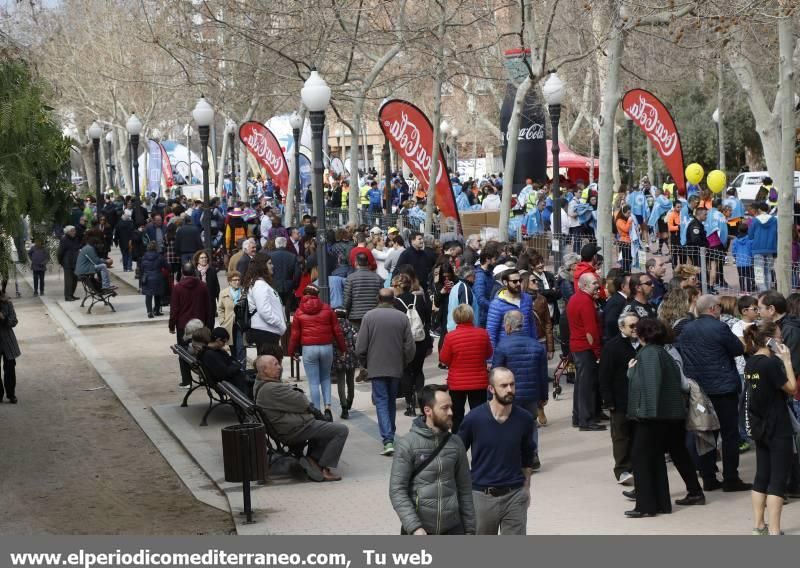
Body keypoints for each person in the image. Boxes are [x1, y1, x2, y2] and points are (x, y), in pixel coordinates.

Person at [677, 295, 750, 492]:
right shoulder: (719, 328)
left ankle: (708, 477)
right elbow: (737, 349)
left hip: (699, 390)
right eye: (718, 307)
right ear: (713, 309)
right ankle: (730, 478)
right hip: (723, 388)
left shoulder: (686, 329)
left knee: (705, 433)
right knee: (729, 434)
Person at [625, 318, 691, 518]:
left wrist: (631, 371)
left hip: (651, 416)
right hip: (663, 415)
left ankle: (645, 505)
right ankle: (660, 503)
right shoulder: (661, 352)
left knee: (641, 458)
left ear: (643, 334)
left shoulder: (650, 354)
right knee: (654, 459)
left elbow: (651, 385)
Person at [457, 367, 535, 535]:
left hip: (514, 495)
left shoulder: (525, 419)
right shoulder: (473, 419)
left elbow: (528, 456)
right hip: (482, 497)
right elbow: (457, 453)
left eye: (512, 385)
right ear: (491, 389)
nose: (510, 390)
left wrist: (526, 488)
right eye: (504, 385)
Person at [390, 384, 476, 535]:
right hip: (419, 531)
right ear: (427, 411)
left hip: (453, 529)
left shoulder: (456, 443)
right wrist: (414, 527)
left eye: (451, 407)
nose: (450, 412)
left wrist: (470, 529)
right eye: (444, 408)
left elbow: (465, 489)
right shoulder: (407, 444)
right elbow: (397, 490)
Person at [254, 354, 348, 482]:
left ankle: (312, 459)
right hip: (294, 430)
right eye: (275, 364)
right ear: (264, 370)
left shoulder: (260, 382)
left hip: (289, 426)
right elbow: (302, 401)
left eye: (278, 363)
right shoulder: (271, 388)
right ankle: (322, 467)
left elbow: (296, 403)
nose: (280, 367)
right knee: (341, 430)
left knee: (324, 423)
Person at [743, 322, 797, 535]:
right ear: (770, 340)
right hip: (777, 426)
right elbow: (792, 389)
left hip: (759, 426)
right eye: (779, 338)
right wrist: (787, 360)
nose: (782, 341)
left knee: (761, 475)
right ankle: (775, 530)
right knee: (777, 479)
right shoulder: (770, 364)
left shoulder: (751, 363)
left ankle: (759, 525)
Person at [356, 288, 416, 456]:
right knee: (390, 401)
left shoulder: (369, 317)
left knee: (382, 401)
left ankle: (388, 438)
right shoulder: (402, 317)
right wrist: (404, 361)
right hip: (396, 366)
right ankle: (390, 432)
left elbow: (360, 346)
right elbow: (410, 346)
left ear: (378, 299)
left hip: (376, 366)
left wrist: (365, 363)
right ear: (393, 299)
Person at [492, 310, 548, 470]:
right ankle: (533, 455)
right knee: (530, 423)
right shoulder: (536, 346)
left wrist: (493, 395)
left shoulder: (502, 346)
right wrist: (543, 396)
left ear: (508, 326)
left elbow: (496, 373)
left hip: (509, 394)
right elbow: (542, 375)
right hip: (531, 394)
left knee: (509, 425)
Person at [288, 285, 346, 421]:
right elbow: (337, 331)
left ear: (304, 295)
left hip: (309, 348)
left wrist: (292, 352)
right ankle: (328, 408)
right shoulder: (327, 309)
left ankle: (317, 412)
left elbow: (295, 334)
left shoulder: (299, 312)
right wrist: (343, 349)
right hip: (326, 347)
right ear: (317, 295)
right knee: (325, 378)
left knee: (313, 382)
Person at [599, 313, 639, 485]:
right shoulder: (612, 347)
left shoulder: (644, 343)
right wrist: (608, 401)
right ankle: (622, 469)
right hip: (620, 399)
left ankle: (638, 465)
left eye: (637, 325)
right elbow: (604, 376)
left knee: (638, 435)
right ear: (622, 328)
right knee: (621, 436)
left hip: (640, 399)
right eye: (631, 326)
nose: (635, 328)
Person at [439, 305, 492, 433]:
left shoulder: (450, 337)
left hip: (457, 383)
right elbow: (489, 353)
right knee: (479, 414)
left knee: (457, 416)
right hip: (479, 381)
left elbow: (444, 359)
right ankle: (479, 440)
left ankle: (460, 442)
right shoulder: (482, 333)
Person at [568, 273, 605, 431]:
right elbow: (591, 331)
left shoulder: (577, 298)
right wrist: (597, 352)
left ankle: (579, 417)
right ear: (583, 285)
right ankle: (586, 420)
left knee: (581, 384)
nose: (597, 286)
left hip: (578, 347)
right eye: (593, 284)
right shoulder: (586, 302)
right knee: (587, 385)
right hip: (585, 348)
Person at [392, 273, 432, 417]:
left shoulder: (395, 303)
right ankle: (421, 403)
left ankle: (409, 405)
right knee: (418, 371)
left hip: (405, 343)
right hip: (421, 341)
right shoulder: (420, 299)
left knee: (406, 373)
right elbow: (428, 319)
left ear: (398, 286)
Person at [169, 262, 211, 388]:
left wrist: (171, 325)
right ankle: (203, 377)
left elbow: (174, 309)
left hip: (183, 324)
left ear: (182, 272)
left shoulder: (178, 288)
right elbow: (208, 307)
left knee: (183, 352)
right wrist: (208, 324)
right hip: (200, 324)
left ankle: (187, 380)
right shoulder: (203, 286)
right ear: (194, 272)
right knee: (202, 351)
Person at [243, 254, 286, 352]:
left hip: (267, 331)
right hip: (266, 332)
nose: (272, 266)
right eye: (269, 263)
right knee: (269, 365)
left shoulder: (260, 284)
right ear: (262, 266)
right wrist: (280, 324)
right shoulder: (260, 285)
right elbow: (264, 311)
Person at [485, 269, 537, 351]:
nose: (518, 284)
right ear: (505, 283)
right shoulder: (496, 304)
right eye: (515, 281)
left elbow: (531, 324)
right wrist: (492, 360)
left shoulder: (527, 299)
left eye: (520, 280)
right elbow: (491, 333)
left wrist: (534, 345)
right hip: (507, 351)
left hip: (527, 348)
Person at [198, 327, 252, 397]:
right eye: (223, 342)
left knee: (254, 373)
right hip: (229, 380)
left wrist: (235, 364)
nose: (224, 344)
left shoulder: (216, 351)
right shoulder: (209, 354)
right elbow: (224, 373)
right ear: (218, 340)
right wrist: (237, 365)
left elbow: (231, 361)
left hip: (231, 377)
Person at [343, 253, 384, 330]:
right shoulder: (377, 278)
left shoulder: (350, 278)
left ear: (356, 263)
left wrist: (346, 313)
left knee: (358, 339)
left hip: (356, 315)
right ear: (367, 263)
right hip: (374, 315)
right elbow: (381, 297)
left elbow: (347, 299)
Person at [332, 308, 358, 419]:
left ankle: (344, 408)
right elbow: (356, 341)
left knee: (341, 382)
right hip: (351, 356)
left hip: (339, 357)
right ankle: (350, 400)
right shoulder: (351, 326)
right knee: (350, 381)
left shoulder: (333, 327)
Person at [217, 270, 246, 367]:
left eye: (238, 280)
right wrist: (222, 321)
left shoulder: (244, 292)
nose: (237, 282)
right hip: (229, 324)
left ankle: (242, 369)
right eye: (234, 280)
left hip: (241, 324)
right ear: (229, 281)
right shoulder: (224, 293)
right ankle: (235, 368)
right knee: (232, 347)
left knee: (241, 347)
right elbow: (220, 308)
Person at [748, 202, 778, 292]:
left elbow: (750, 235)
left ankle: (763, 292)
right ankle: (768, 291)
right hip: (770, 248)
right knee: (768, 271)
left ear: (759, 210)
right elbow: (777, 234)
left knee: (758, 272)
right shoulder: (774, 220)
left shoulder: (755, 220)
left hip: (757, 249)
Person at [0, 293, 20, 403]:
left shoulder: (7, 304)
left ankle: (11, 394)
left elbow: (14, 321)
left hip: (7, 341)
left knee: (10, 369)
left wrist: (3, 318)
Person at [140, 241, 168, 318]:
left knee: (148, 295)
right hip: (158, 277)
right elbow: (167, 266)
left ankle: (149, 311)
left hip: (147, 278)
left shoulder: (143, 257)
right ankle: (157, 310)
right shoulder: (160, 257)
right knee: (157, 295)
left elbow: (141, 269)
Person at [193, 249, 220, 320]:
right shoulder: (194, 272)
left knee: (210, 323)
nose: (204, 259)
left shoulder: (212, 270)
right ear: (197, 260)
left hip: (210, 301)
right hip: (198, 302)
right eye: (202, 258)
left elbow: (216, 287)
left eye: (205, 257)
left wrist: (219, 300)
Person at [603, 272, 630, 342]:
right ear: (623, 287)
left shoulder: (621, 299)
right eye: (631, 284)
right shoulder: (617, 302)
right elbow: (611, 323)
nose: (635, 286)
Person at [57, 225, 81, 301]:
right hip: (67, 263)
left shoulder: (76, 239)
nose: (74, 232)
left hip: (75, 262)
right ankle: (67, 296)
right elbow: (60, 252)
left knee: (74, 279)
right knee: (68, 280)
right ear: (68, 232)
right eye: (72, 231)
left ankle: (71, 294)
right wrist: (61, 262)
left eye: (74, 230)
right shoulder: (64, 239)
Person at [615, 205, 634, 272]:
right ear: (623, 212)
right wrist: (629, 221)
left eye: (630, 213)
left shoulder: (626, 219)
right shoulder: (619, 220)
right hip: (624, 242)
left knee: (630, 259)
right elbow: (626, 229)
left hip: (629, 241)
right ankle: (626, 273)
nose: (629, 215)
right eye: (628, 213)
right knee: (626, 260)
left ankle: (628, 272)